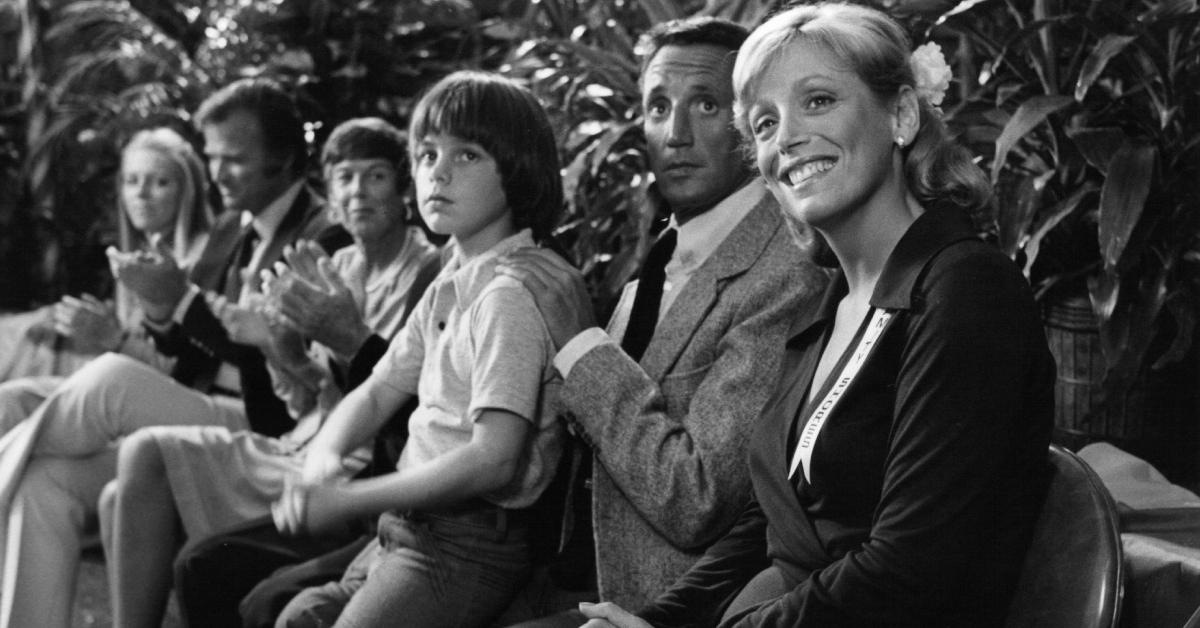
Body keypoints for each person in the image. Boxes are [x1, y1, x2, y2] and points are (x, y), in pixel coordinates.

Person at [576, 4, 1056, 627]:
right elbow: (770, 521)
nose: (788, 138)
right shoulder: (828, 303)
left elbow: (910, 570)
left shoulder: (965, 289)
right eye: (765, 123)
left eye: (820, 100)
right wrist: (661, 620)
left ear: (902, 115)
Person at [496, 16, 827, 619]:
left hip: (672, 607)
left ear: (754, 122)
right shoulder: (667, 250)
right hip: (565, 574)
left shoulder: (784, 273)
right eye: (656, 107)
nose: (674, 133)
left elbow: (698, 496)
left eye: (705, 104)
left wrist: (581, 343)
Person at [0, 77, 347, 628]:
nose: (217, 174)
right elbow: (190, 345)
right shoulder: (237, 226)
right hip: (198, 403)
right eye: (212, 158)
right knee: (43, 482)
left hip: (267, 424)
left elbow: (273, 354)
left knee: (110, 377)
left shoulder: (324, 235)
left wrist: (176, 302)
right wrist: (165, 308)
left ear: (282, 158)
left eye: (233, 159)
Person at [101, 116, 442, 628]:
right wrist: (279, 346)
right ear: (328, 188)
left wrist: (339, 338)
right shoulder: (340, 262)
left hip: (363, 467)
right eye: (344, 178)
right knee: (131, 466)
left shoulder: (428, 270)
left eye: (375, 176)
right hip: (309, 442)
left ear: (403, 189)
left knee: (140, 452)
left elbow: (404, 401)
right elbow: (312, 396)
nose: (357, 192)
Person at [270, 70, 574, 628]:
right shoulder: (453, 276)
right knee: (298, 616)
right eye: (427, 154)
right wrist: (324, 457)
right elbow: (381, 387)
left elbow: (494, 458)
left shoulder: (510, 292)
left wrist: (349, 499)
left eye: (468, 156)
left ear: (519, 166)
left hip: (466, 543)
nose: (438, 172)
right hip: (409, 525)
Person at [0, 126, 212, 420]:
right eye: (131, 181)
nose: (141, 194)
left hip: (160, 396)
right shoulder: (134, 254)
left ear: (187, 191)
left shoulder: (204, 258)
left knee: (13, 396)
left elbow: (188, 370)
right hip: (121, 378)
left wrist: (113, 337)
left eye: (161, 182)